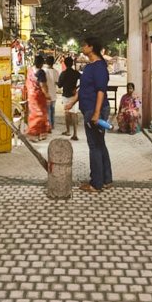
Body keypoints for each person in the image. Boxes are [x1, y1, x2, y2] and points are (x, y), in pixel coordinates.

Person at [65, 36, 113, 193]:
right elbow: (84, 88)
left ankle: (96, 184)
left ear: (91, 47)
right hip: (90, 109)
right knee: (100, 144)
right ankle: (106, 179)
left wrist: (97, 113)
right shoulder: (89, 66)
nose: (82, 47)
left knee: (95, 146)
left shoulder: (99, 67)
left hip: (95, 110)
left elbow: (101, 91)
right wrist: (73, 102)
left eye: (84, 45)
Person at [25, 53, 50, 140]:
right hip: (39, 97)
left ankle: (34, 134)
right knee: (41, 115)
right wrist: (47, 95)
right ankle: (38, 134)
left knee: (33, 114)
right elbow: (43, 85)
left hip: (31, 96)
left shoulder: (30, 71)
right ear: (42, 63)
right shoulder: (41, 72)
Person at [57, 55, 81, 141]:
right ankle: (75, 134)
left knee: (67, 113)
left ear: (65, 64)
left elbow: (59, 85)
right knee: (74, 114)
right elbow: (84, 80)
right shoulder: (76, 73)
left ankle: (68, 131)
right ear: (72, 63)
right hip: (74, 96)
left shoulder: (63, 73)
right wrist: (77, 88)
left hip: (65, 95)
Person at [43, 54, 58, 131]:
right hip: (53, 94)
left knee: (48, 111)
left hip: (47, 94)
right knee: (52, 111)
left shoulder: (44, 72)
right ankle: (52, 125)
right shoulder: (56, 72)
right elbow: (57, 82)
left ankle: (49, 126)